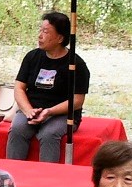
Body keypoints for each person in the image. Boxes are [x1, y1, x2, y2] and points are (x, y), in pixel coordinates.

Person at [8, 12, 89, 163]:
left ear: (60, 38)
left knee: (49, 134)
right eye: (40, 30)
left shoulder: (76, 64)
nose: (40, 36)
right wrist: (28, 111)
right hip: (32, 109)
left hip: (61, 114)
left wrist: (49, 112)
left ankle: (46, 178)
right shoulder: (32, 57)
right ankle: (13, 175)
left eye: (45, 32)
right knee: (18, 129)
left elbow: (77, 100)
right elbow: (19, 87)